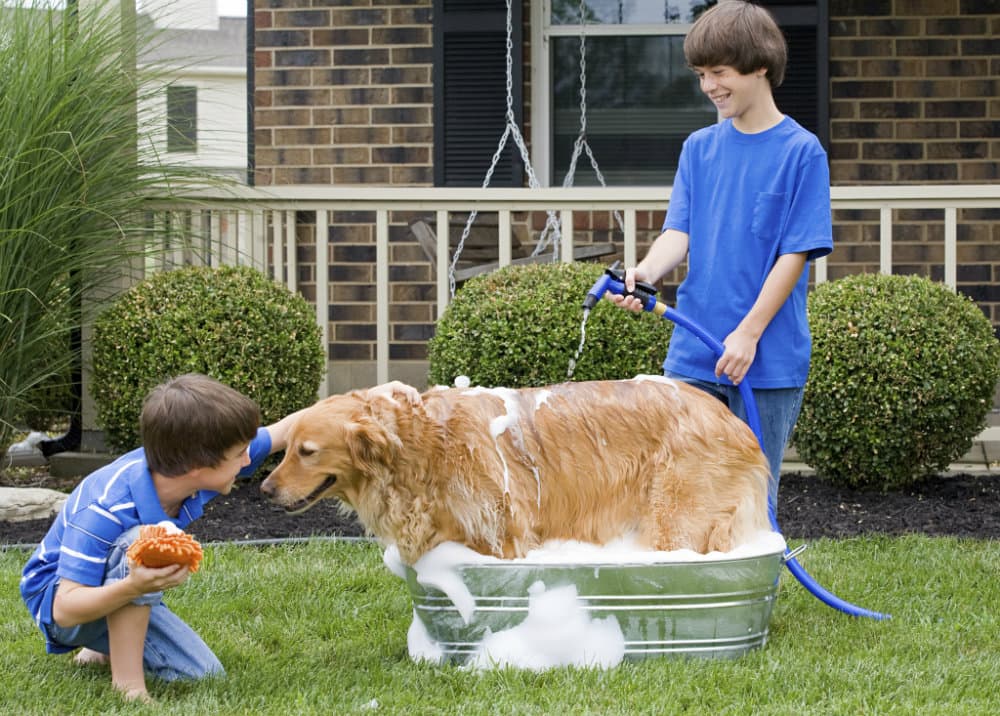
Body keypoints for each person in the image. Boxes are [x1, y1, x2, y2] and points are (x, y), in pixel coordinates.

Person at [19, 373, 417, 703]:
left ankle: (102, 640)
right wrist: (133, 586)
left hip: (106, 591)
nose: (250, 461)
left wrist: (366, 399)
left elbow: (286, 429)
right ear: (197, 465)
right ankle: (129, 685)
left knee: (200, 674)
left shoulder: (188, 473)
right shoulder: (106, 507)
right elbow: (63, 609)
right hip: (58, 602)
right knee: (139, 541)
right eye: (241, 454)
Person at [608, 1, 833, 517]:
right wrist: (644, 271)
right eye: (701, 74)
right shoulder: (699, 149)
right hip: (695, 350)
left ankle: (750, 597)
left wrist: (749, 333)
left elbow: (794, 255)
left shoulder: (801, 152)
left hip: (767, 359)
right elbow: (679, 232)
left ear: (760, 66)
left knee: (750, 498)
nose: (709, 85)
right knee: (683, 490)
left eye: (720, 72)